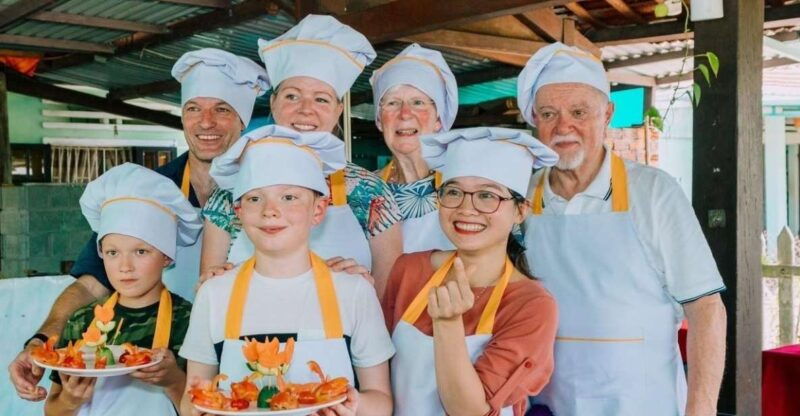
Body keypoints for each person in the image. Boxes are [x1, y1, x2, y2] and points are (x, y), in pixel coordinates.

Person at [9, 48, 268, 403]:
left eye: (221, 109)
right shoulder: (148, 190)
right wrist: (42, 343)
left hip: (247, 358)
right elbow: (90, 284)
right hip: (162, 367)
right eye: (194, 109)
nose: (206, 122)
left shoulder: (267, 192)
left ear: (243, 119)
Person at [517, 42, 727, 416]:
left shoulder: (654, 192)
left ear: (607, 113)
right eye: (549, 113)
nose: (563, 126)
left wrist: (701, 410)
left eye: (579, 112)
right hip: (548, 404)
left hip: (642, 404)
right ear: (534, 119)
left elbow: (707, 308)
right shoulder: (520, 198)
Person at [179, 125, 394, 416]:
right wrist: (197, 410)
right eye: (255, 198)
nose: (270, 210)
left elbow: (381, 400)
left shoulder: (354, 291)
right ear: (239, 213)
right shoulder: (214, 293)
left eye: (289, 197)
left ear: (318, 210)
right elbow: (193, 396)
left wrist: (356, 406)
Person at [200, 14, 403, 296]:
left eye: (321, 99)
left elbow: (390, 290)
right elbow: (208, 289)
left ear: (338, 110)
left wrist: (361, 294)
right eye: (292, 96)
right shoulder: (230, 189)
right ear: (273, 103)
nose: (306, 110)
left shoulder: (370, 191)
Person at [382, 127, 560, 416]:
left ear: (520, 211)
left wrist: (448, 323)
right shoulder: (409, 269)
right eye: (453, 192)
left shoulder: (532, 305)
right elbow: (379, 376)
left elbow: (470, 412)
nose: (466, 209)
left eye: (487, 196)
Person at [44, 163, 202, 416]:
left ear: (167, 257)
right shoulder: (81, 321)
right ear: (101, 255)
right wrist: (70, 401)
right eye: (112, 252)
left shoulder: (190, 320)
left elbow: (204, 409)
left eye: (141, 252)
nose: (125, 266)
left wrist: (172, 380)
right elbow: (52, 410)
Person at [370, 43, 459, 253]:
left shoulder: (466, 186)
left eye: (418, 102)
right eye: (392, 103)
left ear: (438, 120)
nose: (405, 114)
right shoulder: (363, 190)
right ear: (379, 121)